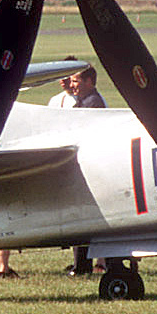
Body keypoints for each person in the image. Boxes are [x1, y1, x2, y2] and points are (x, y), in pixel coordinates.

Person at [55, 60, 107, 273]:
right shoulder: (86, 100)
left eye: (76, 80)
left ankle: (82, 265)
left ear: (88, 81)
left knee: (82, 218)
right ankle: (81, 264)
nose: (73, 85)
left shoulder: (92, 104)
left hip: (89, 167)